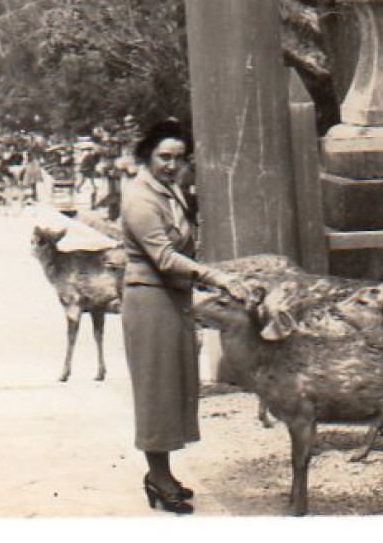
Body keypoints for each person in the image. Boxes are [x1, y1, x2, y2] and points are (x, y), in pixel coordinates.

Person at [119, 118, 246, 515]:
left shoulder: (170, 192)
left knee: (175, 387)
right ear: (147, 156)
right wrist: (214, 276)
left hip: (174, 299)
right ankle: (157, 477)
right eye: (163, 157)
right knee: (156, 390)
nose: (171, 165)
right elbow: (163, 256)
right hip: (149, 300)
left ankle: (165, 474)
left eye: (178, 158)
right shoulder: (139, 198)